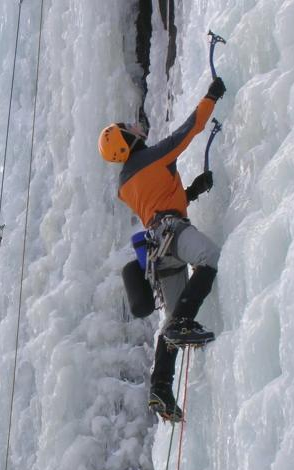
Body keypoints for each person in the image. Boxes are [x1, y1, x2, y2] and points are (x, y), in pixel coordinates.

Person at [98, 76, 226, 422]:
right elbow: (189, 130)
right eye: (129, 129)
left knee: (170, 320)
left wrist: (193, 192)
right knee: (209, 258)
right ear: (126, 141)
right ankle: (183, 323)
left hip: (157, 247)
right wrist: (211, 96)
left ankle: (160, 388)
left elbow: (159, 201)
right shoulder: (154, 157)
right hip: (173, 232)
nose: (136, 128)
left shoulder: (127, 184)